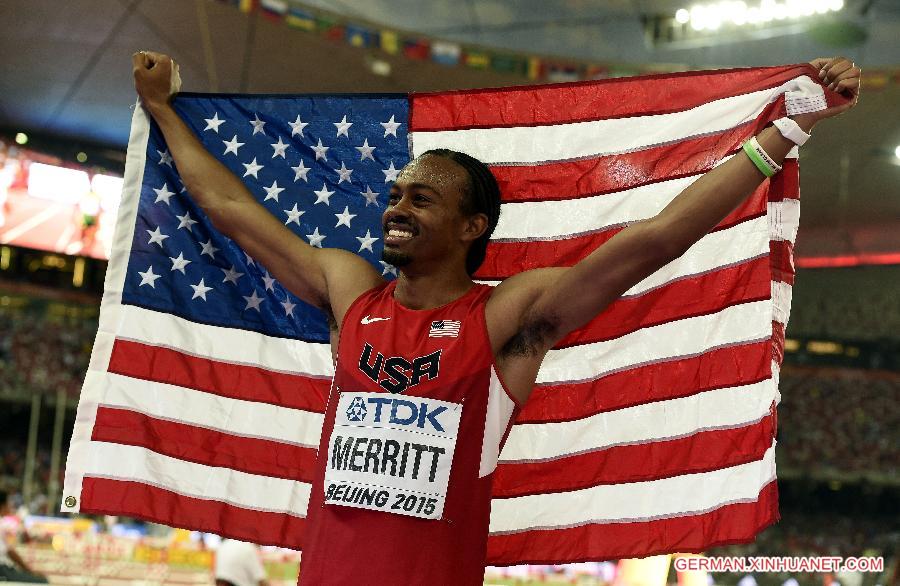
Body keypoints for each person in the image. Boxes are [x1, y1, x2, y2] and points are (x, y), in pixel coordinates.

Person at [132, 52, 860, 585]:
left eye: (422, 198)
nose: (396, 207)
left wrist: (785, 134)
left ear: (473, 224)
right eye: (397, 193)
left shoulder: (508, 314)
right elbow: (232, 212)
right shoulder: (351, 289)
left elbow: (656, 240)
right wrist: (165, 108)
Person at [0, 489, 47, 583]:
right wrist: (29, 571)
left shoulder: (4, 522)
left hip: (4, 568)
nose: (10, 505)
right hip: (2, 570)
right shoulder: (3, 524)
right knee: (42, 581)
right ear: (3, 505)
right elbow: (10, 552)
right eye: (9, 503)